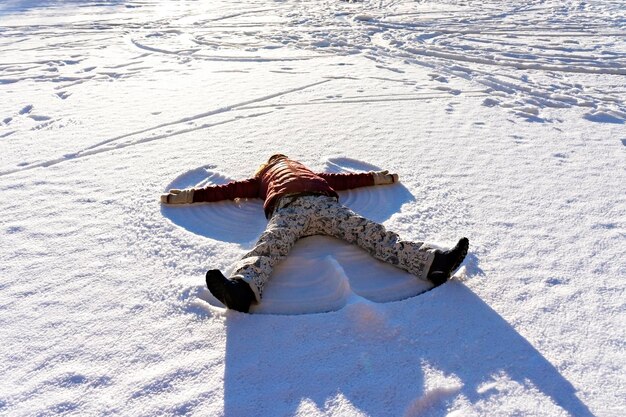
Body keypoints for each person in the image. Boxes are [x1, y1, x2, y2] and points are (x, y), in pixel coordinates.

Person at [161, 154, 469, 312]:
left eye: (284, 160)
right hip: (288, 209)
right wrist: (185, 197)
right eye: (275, 161)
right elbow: (228, 190)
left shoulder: (313, 175)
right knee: (271, 245)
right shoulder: (261, 180)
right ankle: (242, 290)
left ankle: (432, 264)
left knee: (371, 232)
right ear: (267, 167)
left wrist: (379, 177)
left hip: (326, 208)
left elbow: (348, 180)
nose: (282, 163)